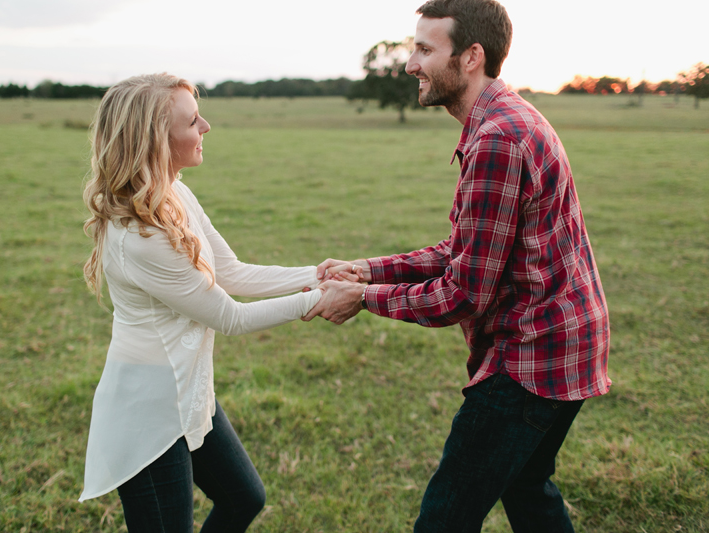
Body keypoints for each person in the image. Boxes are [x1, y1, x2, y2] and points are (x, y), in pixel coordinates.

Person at [304, 0, 611, 531]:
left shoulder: (497, 137)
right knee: (528, 489)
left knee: (444, 518)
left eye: (425, 49)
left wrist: (362, 298)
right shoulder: (503, 119)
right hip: (569, 342)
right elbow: (466, 251)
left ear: (471, 56)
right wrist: (370, 269)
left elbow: (463, 294)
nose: (410, 65)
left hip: (532, 357)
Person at [78, 73, 323, 532]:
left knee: (244, 498)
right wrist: (319, 300)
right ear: (156, 140)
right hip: (148, 415)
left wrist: (318, 273)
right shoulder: (140, 236)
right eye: (192, 121)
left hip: (190, 392)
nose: (206, 126)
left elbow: (231, 272)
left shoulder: (173, 194)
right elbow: (230, 315)